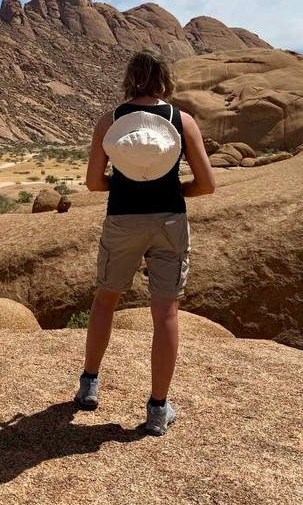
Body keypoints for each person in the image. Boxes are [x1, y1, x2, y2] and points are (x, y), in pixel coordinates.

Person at [75, 48, 216, 436]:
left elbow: (92, 183)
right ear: (164, 78)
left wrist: (121, 186)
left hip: (121, 218)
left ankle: (89, 384)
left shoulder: (109, 121)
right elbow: (207, 184)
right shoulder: (182, 120)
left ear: (129, 78)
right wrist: (173, 192)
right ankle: (157, 409)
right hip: (170, 220)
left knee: (106, 298)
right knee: (166, 314)